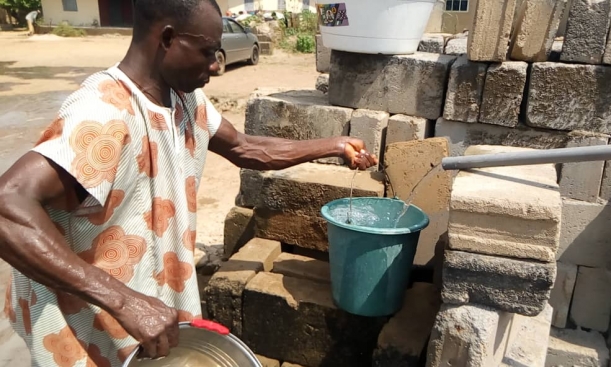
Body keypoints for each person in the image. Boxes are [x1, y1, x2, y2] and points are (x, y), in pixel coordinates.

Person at [0, 0, 377, 366]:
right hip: (86, 320)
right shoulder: (103, 115)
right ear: (166, 38)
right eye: (207, 51)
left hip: (144, 311)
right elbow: (7, 206)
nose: (215, 65)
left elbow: (247, 148)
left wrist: (333, 145)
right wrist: (123, 301)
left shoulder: (185, 100)